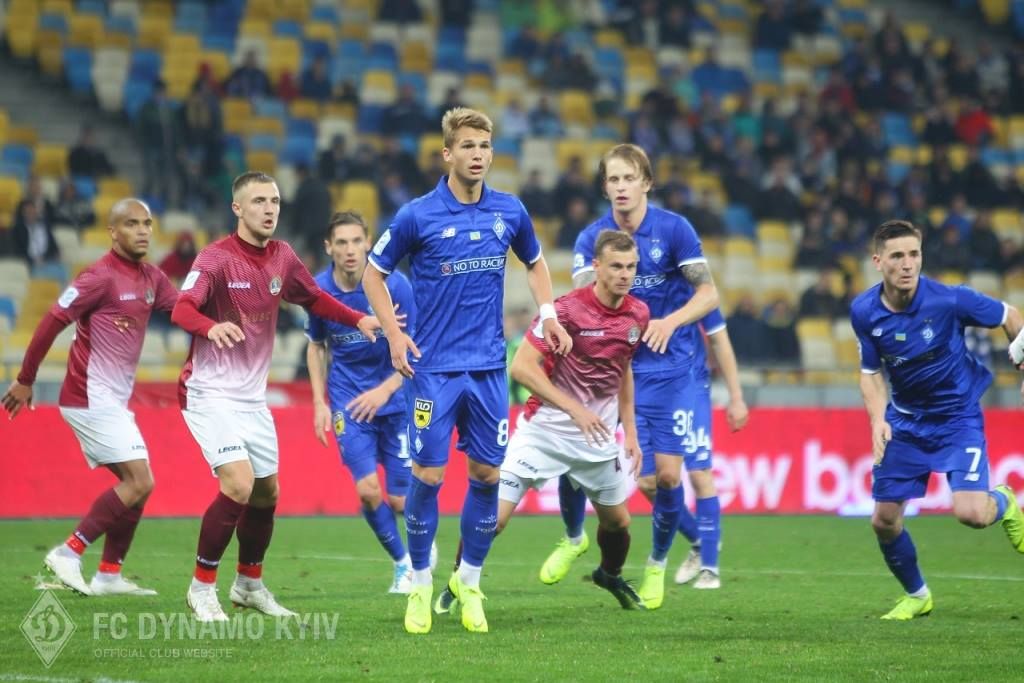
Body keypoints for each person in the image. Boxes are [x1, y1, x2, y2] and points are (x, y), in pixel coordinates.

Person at [362, 107, 571, 634]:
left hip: (487, 371)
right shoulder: (417, 215)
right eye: (468, 146)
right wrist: (393, 333)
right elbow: (373, 273)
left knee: (487, 475)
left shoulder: (510, 211)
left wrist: (547, 316)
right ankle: (420, 582)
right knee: (428, 476)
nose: (478, 154)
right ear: (447, 154)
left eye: (485, 145)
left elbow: (537, 262)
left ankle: (470, 581)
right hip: (433, 370)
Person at [170, 172, 382, 622]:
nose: (270, 209)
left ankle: (248, 584)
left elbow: (315, 299)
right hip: (209, 392)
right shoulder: (216, 259)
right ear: (238, 209)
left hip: (251, 399)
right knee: (239, 484)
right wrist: (211, 326)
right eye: (260, 201)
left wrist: (358, 319)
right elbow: (182, 308)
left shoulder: (283, 257)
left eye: (275, 201)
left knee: (266, 493)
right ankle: (201, 586)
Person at [543, 143, 720, 611]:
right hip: (611, 368)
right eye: (613, 180)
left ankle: (657, 566)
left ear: (646, 182)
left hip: (671, 367)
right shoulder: (591, 239)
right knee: (573, 456)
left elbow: (709, 293)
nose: (621, 187)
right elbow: (583, 297)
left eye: (629, 178)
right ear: (605, 187)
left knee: (664, 476)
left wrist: (668, 321)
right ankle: (574, 535)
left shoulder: (675, 230)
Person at [435, 229, 651, 613]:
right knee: (493, 519)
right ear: (597, 267)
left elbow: (624, 369)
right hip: (543, 432)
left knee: (619, 524)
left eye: (631, 267)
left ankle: (609, 575)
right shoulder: (565, 311)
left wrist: (630, 431)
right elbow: (521, 368)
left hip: (597, 437)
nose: (625, 274)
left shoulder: (638, 314)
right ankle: (456, 583)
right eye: (616, 266)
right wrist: (574, 408)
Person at [2, 199, 177, 596]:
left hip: (112, 401)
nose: (143, 231)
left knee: (137, 485)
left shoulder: (152, 277)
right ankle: (69, 551)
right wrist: (25, 379)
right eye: (131, 224)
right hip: (87, 397)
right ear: (113, 232)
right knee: (140, 480)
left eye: (147, 223)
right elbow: (51, 322)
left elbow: (184, 310)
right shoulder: (98, 277)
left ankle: (109, 575)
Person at [850, 219, 1024, 620]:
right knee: (884, 521)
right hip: (906, 423)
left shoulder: (949, 300)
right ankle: (917, 595)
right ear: (878, 261)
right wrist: (877, 419)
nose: (908, 264)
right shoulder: (863, 311)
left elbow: (1010, 315)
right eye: (897, 256)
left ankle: (1005, 501)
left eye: (914, 254)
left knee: (971, 514)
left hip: (957, 419)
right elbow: (870, 372)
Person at [306, 211, 433, 593]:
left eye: (356, 241)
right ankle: (403, 565)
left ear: (368, 242)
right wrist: (318, 402)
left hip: (396, 400)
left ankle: (422, 545)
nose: (349, 250)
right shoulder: (319, 291)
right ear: (329, 247)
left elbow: (418, 347)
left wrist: (387, 388)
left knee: (398, 499)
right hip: (348, 400)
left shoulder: (395, 285)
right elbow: (316, 345)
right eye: (341, 243)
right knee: (367, 490)